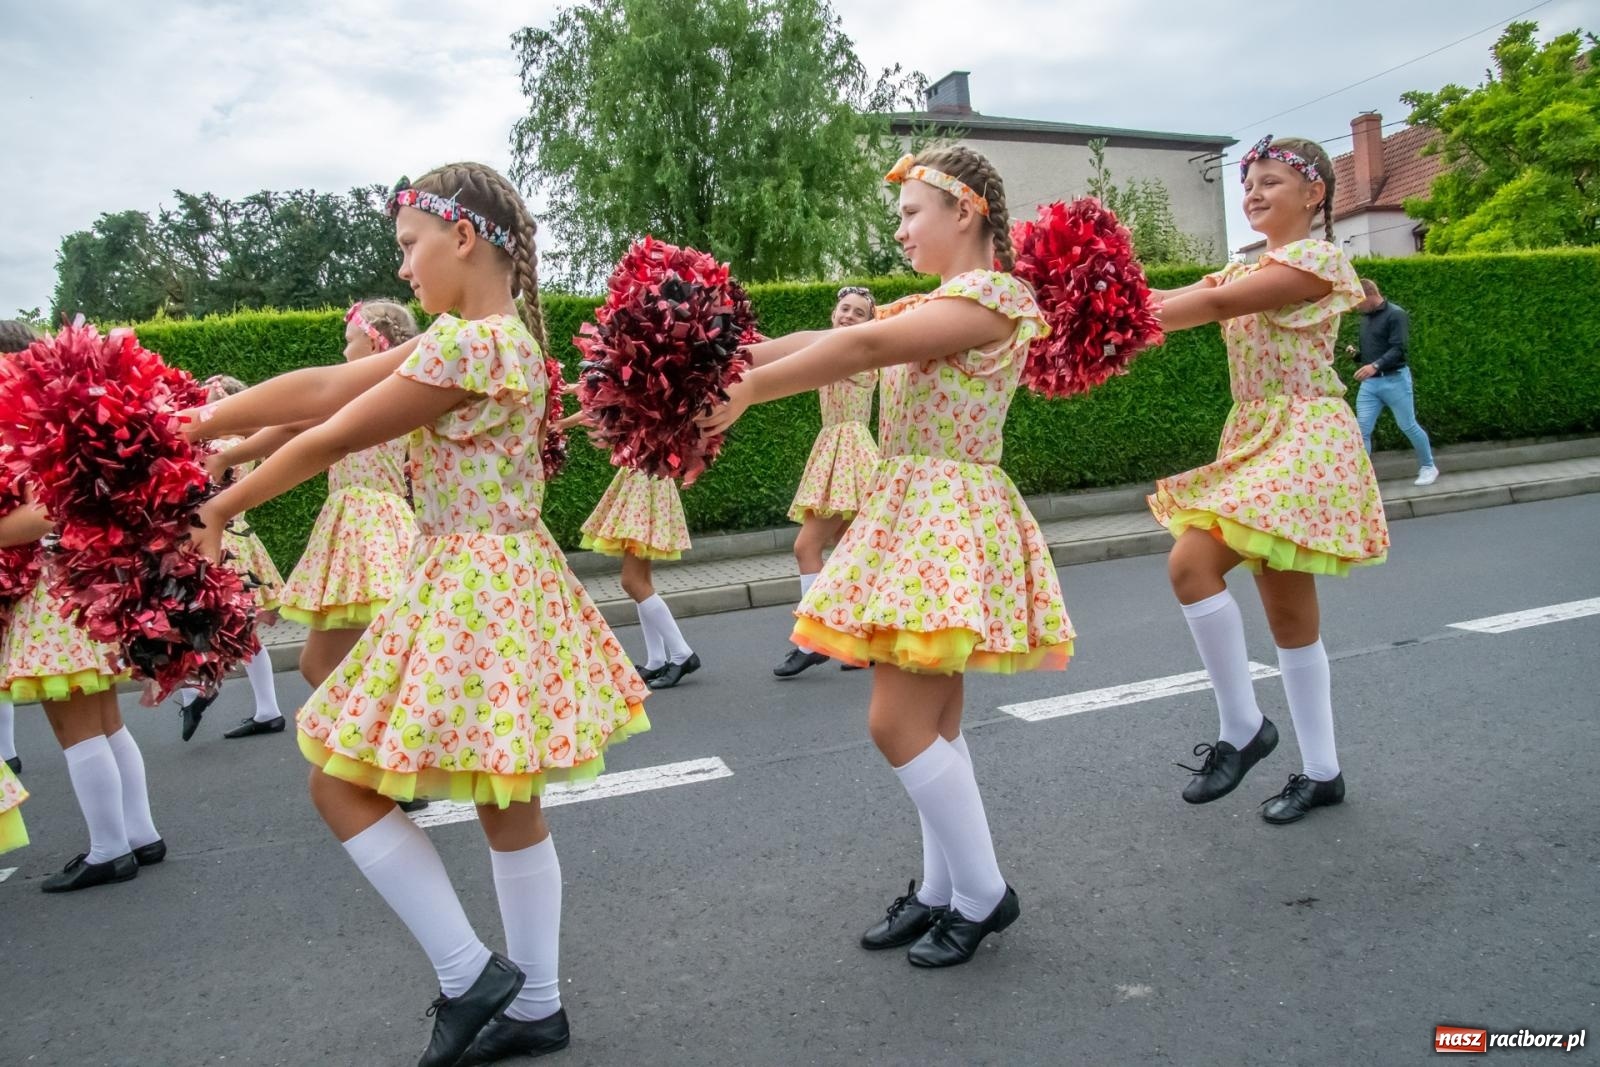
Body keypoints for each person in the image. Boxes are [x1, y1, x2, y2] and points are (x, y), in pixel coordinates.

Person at [182, 161, 649, 1065]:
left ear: (461, 237)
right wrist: (196, 437)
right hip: (501, 578)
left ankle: (471, 976)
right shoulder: (490, 336)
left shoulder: (472, 345)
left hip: (468, 585)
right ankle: (535, 1006)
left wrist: (219, 501)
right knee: (506, 801)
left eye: (409, 246)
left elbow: (331, 423)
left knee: (338, 780)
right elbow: (322, 392)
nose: (403, 269)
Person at [700, 146, 1074, 967]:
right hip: (914, 513)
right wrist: (712, 362)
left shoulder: (994, 298)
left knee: (893, 723)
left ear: (966, 212)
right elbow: (824, 336)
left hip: (944, 518)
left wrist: (751, 391)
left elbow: (866, 352)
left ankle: (983, 893)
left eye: (911, 213)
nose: (900, 230)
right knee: (934, 718)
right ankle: (944, 888)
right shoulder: (937, 301)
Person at [1149, 135, 1389, 826]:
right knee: (1288, 615)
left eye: (1270, 182)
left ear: (1314, 195)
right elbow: (1173, 295)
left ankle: (1242, 726)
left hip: (1302, 439)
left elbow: (1210, 306)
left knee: (1192, 562)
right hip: (1255, 434)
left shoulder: (1319, 259)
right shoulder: (1243, 267)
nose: (1252, 193)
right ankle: (1323, 773)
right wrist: (1092, 293)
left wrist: (1125, 314)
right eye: (1248, 182)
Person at [0, 490, 167, 891]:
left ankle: (109, 850)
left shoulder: (20, 435)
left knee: (76, 729)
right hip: (80, 580)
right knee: (107, 723)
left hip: (52, 595)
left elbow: (46, 510)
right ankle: (141, 835)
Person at [773, 285, 880, 678]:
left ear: (870, 323)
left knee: (806, 547)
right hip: (837, 447)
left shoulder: (859, 353)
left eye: (858, 313)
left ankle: (811, 641)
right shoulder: (834, 350)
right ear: (833, 314)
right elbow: (794, 356)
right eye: (844, 310)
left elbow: (798, 358)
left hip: (848, 449)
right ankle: (865, 643)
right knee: (851, 553)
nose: (849, 316)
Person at [173, 376, 287, 741]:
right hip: (240, 538)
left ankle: (197, 690)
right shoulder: (245, 445)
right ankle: (265, 708)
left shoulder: (221, 446)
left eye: (211, 403)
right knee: (242, 627)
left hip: (218, 540)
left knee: (190, 619)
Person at [570, 457, 700, 690]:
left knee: (631, 582)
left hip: (645, 483)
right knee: (641, 582)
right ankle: (656, 659)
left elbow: (600, 418)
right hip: (646, 481)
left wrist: (559, 424)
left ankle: (682, 654)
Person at [1349, 278, 1437, 485]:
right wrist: (1358, 356)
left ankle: (1428, 467)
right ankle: (1364, 480)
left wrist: (1375, 366)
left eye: (1357, 301)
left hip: (1395, 381)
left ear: (1368, 296)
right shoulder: (1366, 318)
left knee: (1408, 425)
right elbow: (1375, 351)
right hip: (1371, 385)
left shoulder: (1396, 314)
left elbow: (1399, 348)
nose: (1355, 307)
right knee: (1362, 430)